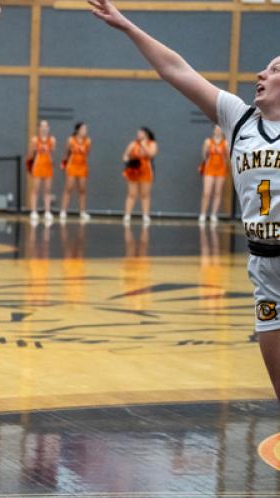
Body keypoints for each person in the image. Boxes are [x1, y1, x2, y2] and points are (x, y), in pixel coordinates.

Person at [89, 0, 280, 399]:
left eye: (275, 69)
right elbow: (176, 69)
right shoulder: (238, 118)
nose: (261, 73)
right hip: (263, 266)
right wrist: (127, 25)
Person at [122, 127, 158, 225]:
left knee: (145, 194)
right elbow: (125, 155)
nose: (138, 134)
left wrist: (143, 146)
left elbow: (151, 155)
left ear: (146, 134)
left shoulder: (152, 144)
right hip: (134, 170)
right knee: (131, 193)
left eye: (141, 133)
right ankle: (127, 215)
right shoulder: (133, 144)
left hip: (146, 170)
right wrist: (129, 161)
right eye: (138, 133)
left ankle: (145, 215)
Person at [60, 122, 92, 222]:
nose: (85, 131)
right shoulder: (71, 140)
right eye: (83, 129)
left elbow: (87, 153)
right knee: (68, 188)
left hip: (82, 166)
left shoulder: (88, 141)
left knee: (82, 189)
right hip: (72, 166)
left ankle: (82, 212)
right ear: (78, 130)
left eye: (86, 129)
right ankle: (63, 211)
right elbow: (66, 153)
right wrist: (64, 163)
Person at [199, 125, 229, 225]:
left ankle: (213, 214)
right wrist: (206, 150)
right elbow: (204, 156)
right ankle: (203, 214)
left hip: (220, 169)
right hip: (209, 169)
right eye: (216, 129)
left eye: (220, 129)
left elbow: (228, 158)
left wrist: (225, 151)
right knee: (206, 192)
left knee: (217, 192)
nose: (217, 131)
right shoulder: (208, 141)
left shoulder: (225, 143)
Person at [28, 120, 56, 223]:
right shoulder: (35, 140)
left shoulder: (52, 140)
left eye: (46, 126)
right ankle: (33, 211)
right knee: (35, 189)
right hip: (38, 165)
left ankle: (47, 211)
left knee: (47, 189)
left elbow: (52, 152)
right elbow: (30, 154)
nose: (44, 128)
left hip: (48, 166)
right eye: (42, 126)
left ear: (48, 128)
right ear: (39, 128)